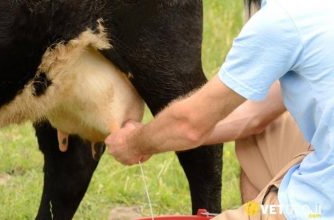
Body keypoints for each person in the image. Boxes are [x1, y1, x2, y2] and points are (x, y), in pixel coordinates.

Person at [106, 0, 334, 219]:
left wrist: (132, 144)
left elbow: (190, 124)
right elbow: (254, 115)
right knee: (261, 137)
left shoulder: (282, 20)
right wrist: (156, 137)